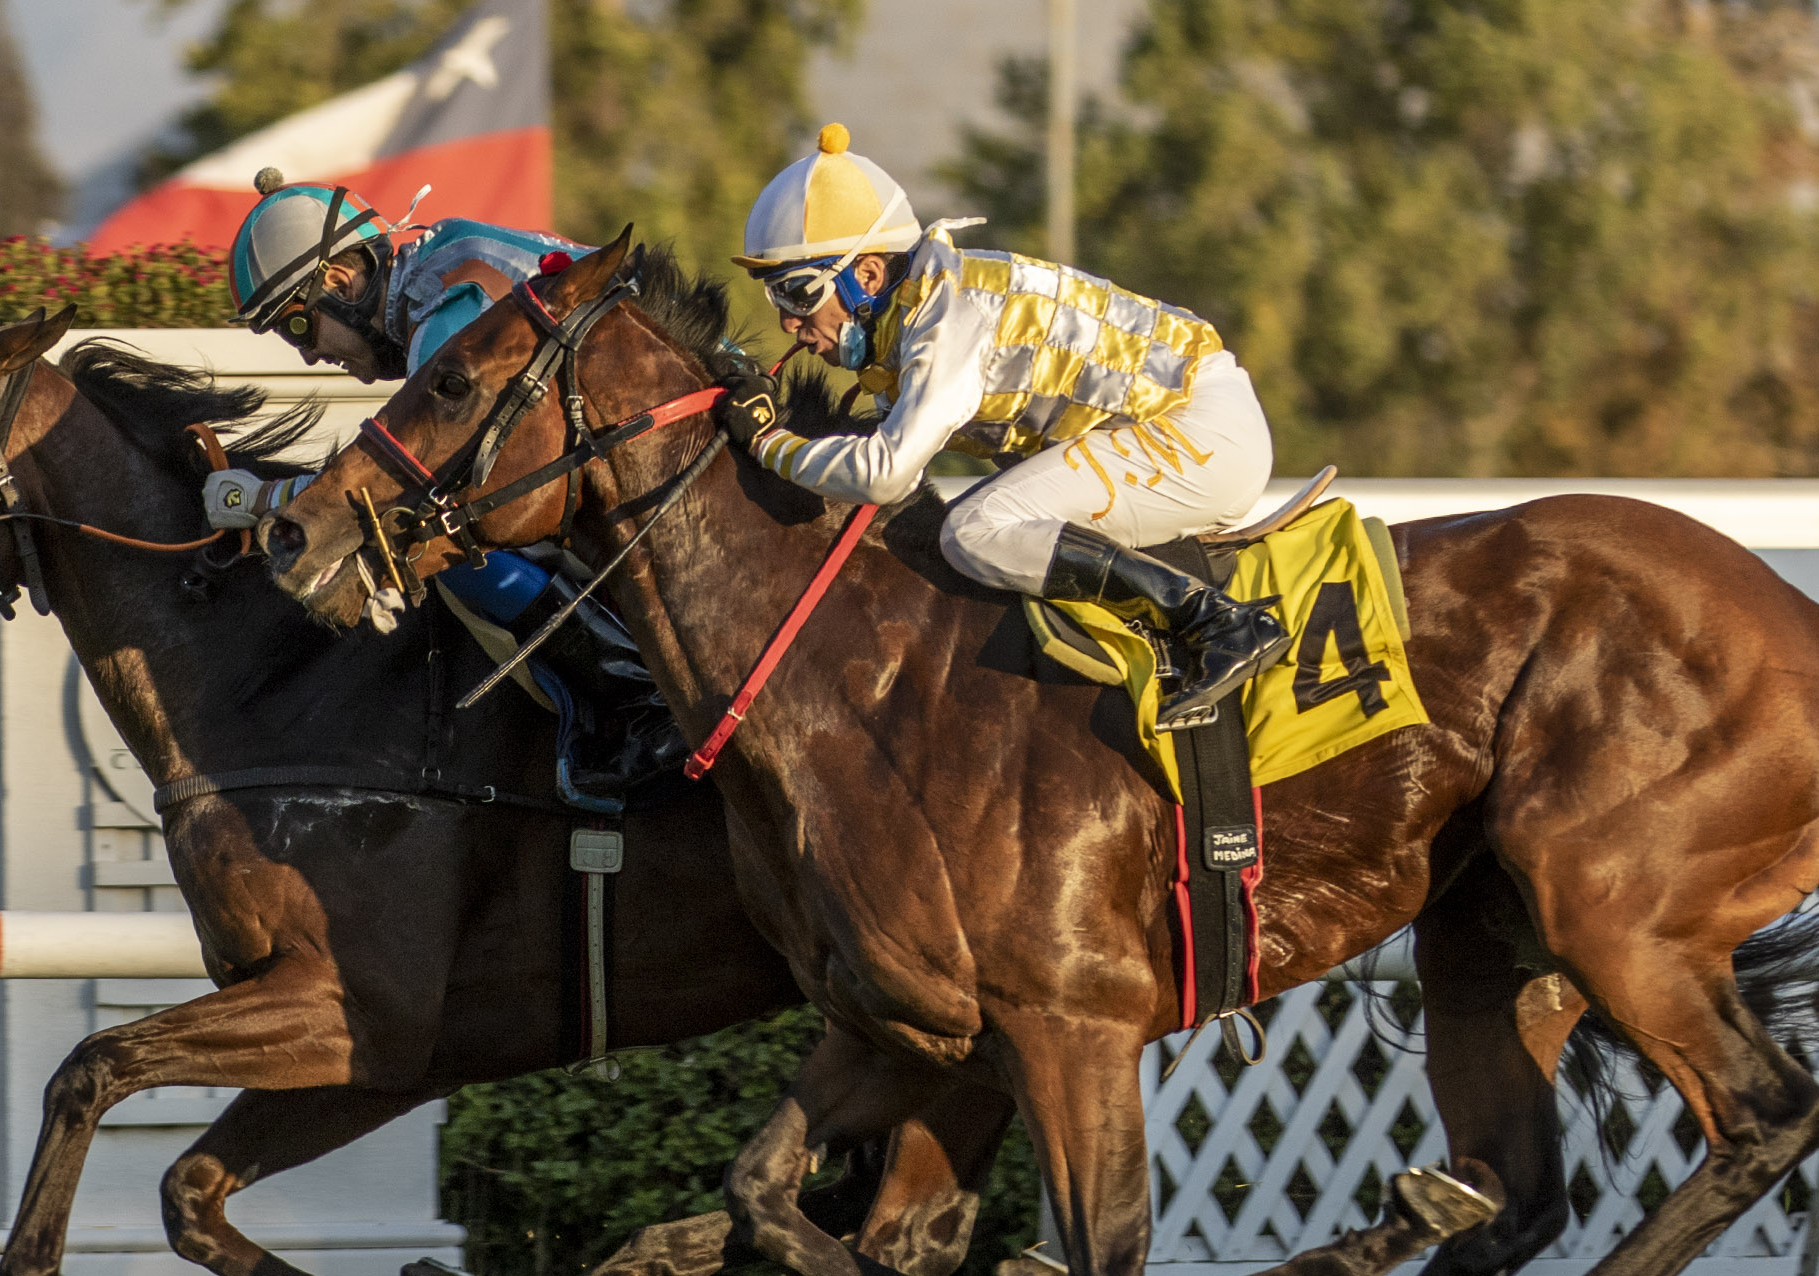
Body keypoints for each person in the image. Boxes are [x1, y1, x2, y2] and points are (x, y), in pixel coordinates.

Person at [712, 125, 1289, 732]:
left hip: (1200, 431)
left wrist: (769, 442)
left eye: (798, 293)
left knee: (975, 530)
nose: (787, 322)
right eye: (776, 298)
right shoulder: (916, 312)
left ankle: (1215, 621)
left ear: (870, 277)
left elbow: (885, 475)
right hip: (1187, 422)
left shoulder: (948, 320)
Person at [199, 170, 685, 811]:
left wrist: (263, 500)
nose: (310, 357)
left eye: (296, 327)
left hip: (673, 457)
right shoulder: (441, 257)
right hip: (661, 439)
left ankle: (640, 699)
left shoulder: (440, 315)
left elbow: (410, 481)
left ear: (340, 282)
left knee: (446, 543)